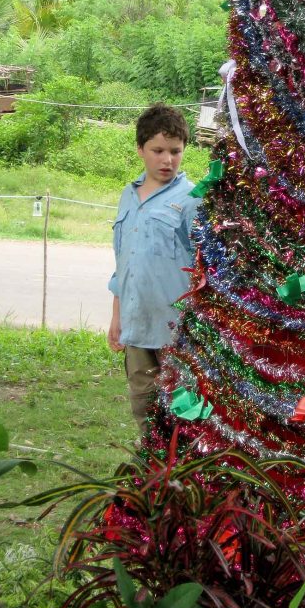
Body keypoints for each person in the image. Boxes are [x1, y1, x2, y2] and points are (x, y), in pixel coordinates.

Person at [108, 104, 200, 432]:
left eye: (175, 151)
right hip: (136, 325)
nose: (167, 160)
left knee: (182, 412)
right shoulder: (127, 196)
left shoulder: (192, 200)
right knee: (144, 407)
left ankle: (184, 476)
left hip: (177, 332)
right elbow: (123, 262)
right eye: (158, 150)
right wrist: (117, 317)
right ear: (140, 150)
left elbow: (206, 266)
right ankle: (152, 476)